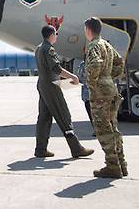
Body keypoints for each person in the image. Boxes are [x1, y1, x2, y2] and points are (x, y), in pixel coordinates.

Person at [34, 25, 94, 159]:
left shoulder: (39, 48)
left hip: (43, 85)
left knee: (44, 117)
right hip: (51, 86)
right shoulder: (49, 49)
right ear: (51, 35)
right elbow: (56, 68)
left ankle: (40, 149)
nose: (57, 36)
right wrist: (73, 77)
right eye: (56, 33)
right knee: (63, 115)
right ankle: (76, 148)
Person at [84, 17, 127, 179]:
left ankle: (112, 166)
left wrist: (92, 84)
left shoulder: (94, 45)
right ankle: (121, 163)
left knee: (103, 130)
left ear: (88, 30)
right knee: (113, 127)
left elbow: (95, 64)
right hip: (111, 89)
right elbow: (119, 62)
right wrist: (109, 77)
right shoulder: (107, 45)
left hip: (100, 93)